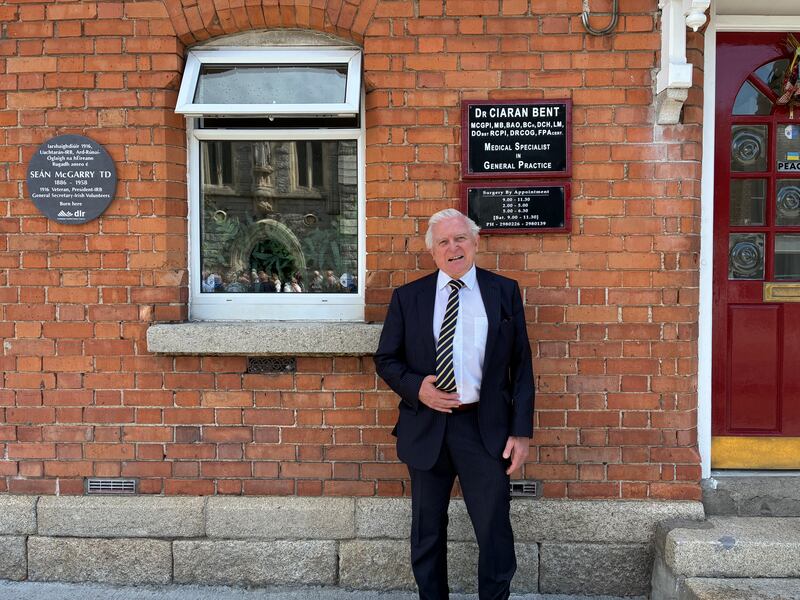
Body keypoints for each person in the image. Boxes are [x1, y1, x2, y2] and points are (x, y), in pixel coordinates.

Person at [374, 208, 534, 600]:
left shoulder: (503, 292)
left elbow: (522, 367)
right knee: (427, 531)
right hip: (427, 425)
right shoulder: (408, 298)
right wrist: (418, 388)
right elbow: (386, 359)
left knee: (494, 529)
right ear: (432, 252)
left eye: (460, 238)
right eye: (443, 242)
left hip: (484, 428)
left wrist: (521, 432)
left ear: (476, 242)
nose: (453, 247)